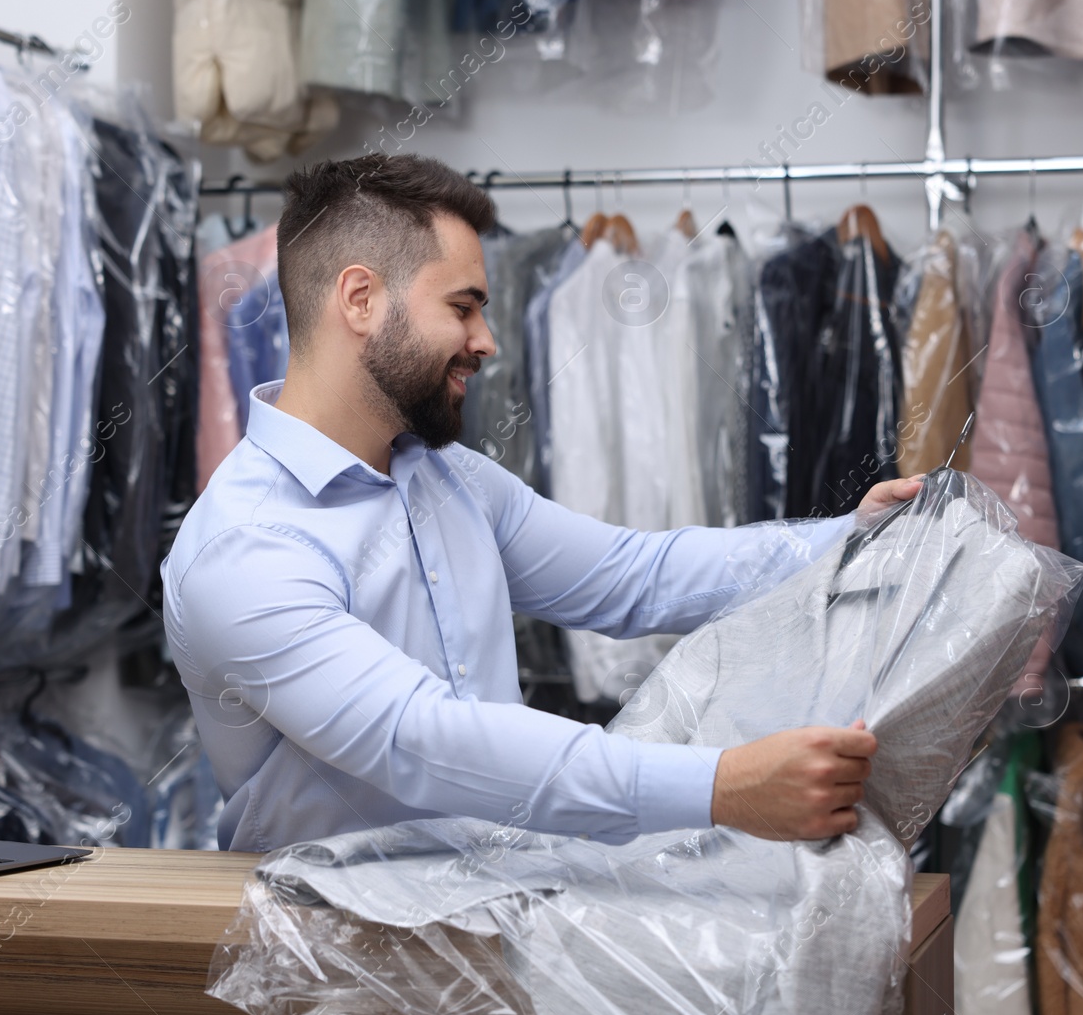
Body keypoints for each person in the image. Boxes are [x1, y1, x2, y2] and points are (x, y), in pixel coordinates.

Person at [161, 153, 923, 854]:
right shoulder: (247, 547)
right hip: (333, 964)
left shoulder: (446, 478)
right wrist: (721, 786)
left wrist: (848, 538)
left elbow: (634, 575)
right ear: (360, 298)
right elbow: (423, 742)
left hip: (497, 919)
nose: (487, 340)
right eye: (463, 307)